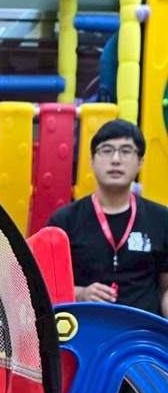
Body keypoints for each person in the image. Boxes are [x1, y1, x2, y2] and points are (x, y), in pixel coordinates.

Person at [47, 119, 168, 317]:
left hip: (143, 332)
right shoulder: (64, 221)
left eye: (126, 151)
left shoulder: (161, 219)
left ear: (140, 162)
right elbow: (46, 287)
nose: (116, 159)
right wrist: (81, 293)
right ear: (92, 161)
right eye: (106, 150)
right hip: (84, 328)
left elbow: (166, 288)